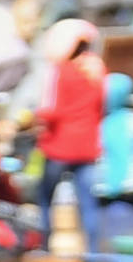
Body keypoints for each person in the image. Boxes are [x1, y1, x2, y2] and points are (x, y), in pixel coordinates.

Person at [35, 18, 105, 210]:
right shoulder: (96, 70)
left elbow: (51, 111)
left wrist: (37, 122)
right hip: (87, 148)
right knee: (88, 204)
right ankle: (91, 242)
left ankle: (44, 239)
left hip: (60, 147)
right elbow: (101, 108)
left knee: (45, 199)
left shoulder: (61, 71)